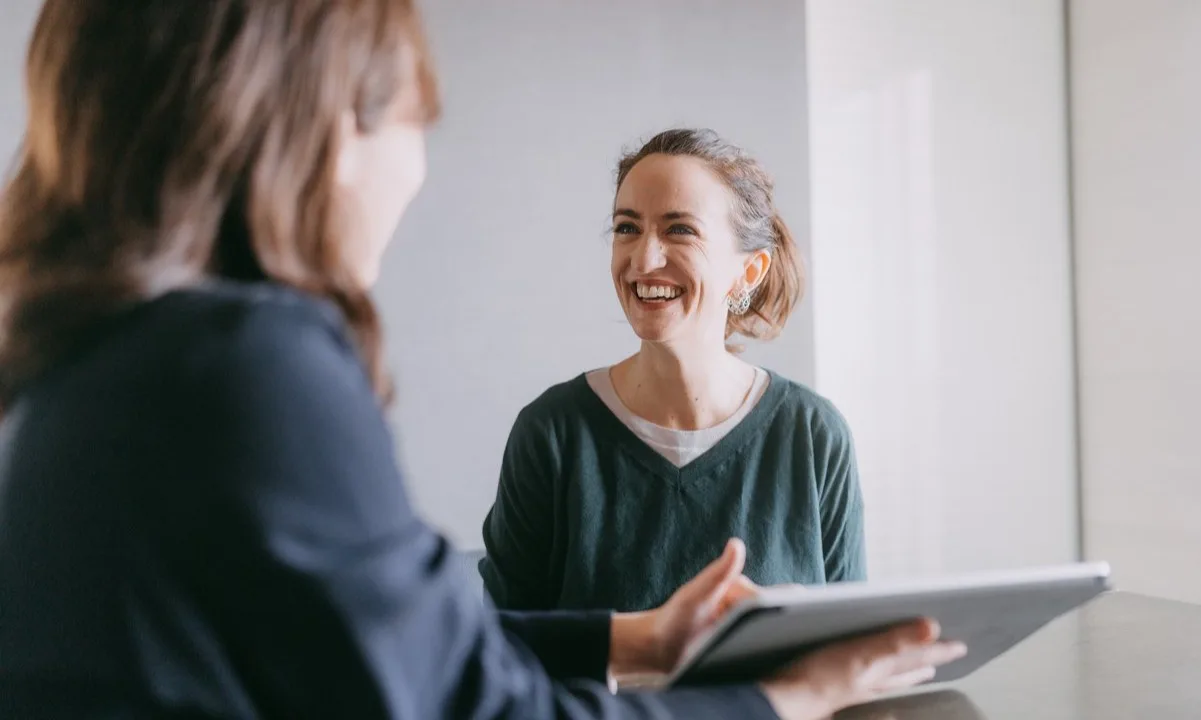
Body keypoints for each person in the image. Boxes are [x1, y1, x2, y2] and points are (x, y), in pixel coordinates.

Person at [0, 2, 965, 718]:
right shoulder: (245, 367)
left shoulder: (97, 355)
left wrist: (634, 637)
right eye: (409, 117)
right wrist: (782, 703)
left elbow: (410, 650)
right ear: (312, 127)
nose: (417, 171)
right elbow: (473, 706)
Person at [480, 128, 865, 613]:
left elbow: (850, 649)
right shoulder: (551, 433)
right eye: (627, 228)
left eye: (679, 229)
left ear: (749, 271)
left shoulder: (813, 435)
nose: (644, 259)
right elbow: (499, 653)